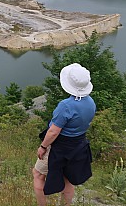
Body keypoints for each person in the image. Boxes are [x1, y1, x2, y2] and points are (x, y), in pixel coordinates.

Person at [33, 63, 97, 206]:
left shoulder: (66, 105)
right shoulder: (91, 103)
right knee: (67, 179)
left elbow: (54, 131)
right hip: (78, 147)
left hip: (60, 147)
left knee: (38, 175)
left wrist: (43, 146)